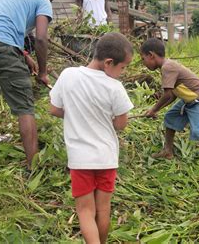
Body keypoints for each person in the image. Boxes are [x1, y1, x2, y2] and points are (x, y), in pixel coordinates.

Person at [49, 33, 134, 243]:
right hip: (106, 158)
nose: (123, 73)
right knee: (103, 209)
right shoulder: (115, 88)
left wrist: (75, 115)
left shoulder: (68, 75)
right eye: (123, 67)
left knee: (85, 211)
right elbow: (121, 124)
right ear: (108, 63)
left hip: (80, 159)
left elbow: (54, 109)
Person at [0, 0, 55, 168]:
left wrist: (25, 55)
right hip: (3, 48)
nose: (50, 2)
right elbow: (42, 39)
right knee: (25, 107)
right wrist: (43, 72)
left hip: (0, 43)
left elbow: (0, 25)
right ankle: (33, 167)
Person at [140, 38, 199, 171]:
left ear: (151, 55)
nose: (143, 63)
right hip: (189, 100)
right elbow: (172, 94)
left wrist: (153, 110)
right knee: (170, 117)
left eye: (143, 59)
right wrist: (156, 110)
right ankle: (168, 151)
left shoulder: (168, 67)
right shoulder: (167, 66)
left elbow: (167, 95)